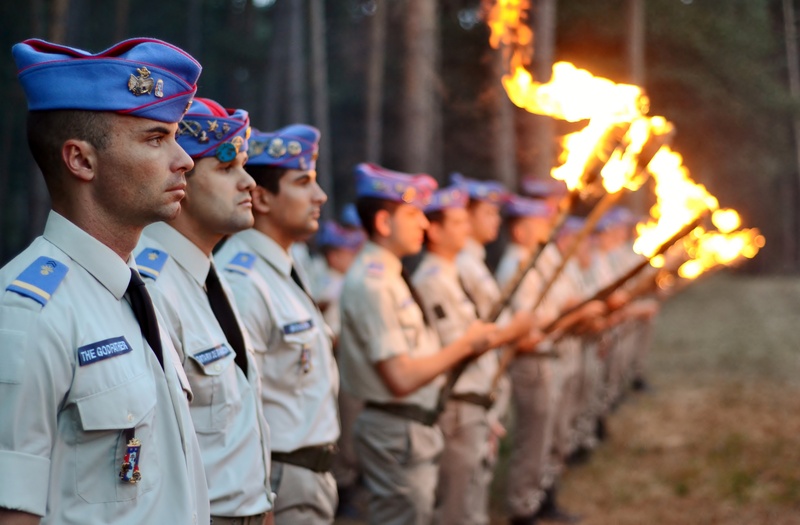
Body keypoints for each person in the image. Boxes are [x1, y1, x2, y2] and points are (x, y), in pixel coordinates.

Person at [0, 38, 209, 524]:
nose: (185, 160)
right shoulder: (28, 313)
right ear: (81, 161)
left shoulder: (139, 292)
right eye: (156, 139)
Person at [134, 97, 274, 525]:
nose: (249, 183)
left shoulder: (212, 275)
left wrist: (262, 505)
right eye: (228, 168)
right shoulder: (152, 287)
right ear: (182, 183)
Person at [337, 163, 499, 525]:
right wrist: (467, 344)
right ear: (383, 223)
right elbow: (401, 377)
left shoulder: (392, 275)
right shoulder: (373, 283)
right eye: (413, 215)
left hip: (410, 427)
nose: (424, 225)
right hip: (395, 429)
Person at [215, 125, 340, 525]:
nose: (319, 196)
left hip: (306, 477)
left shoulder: (284, 264)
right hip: (279, 479)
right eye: (303, 182)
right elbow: (239, 405)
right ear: (262, 197)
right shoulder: (243, 279)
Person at [412, 184, 536, 525]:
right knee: (456, 501)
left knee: (473, 494)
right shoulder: (432, 278)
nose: (466, 228)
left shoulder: (452, 273)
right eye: (457, 222)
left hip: (476, 396)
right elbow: (461, 345)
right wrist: (513, 331)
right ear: (434, 231)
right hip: (459, 401)